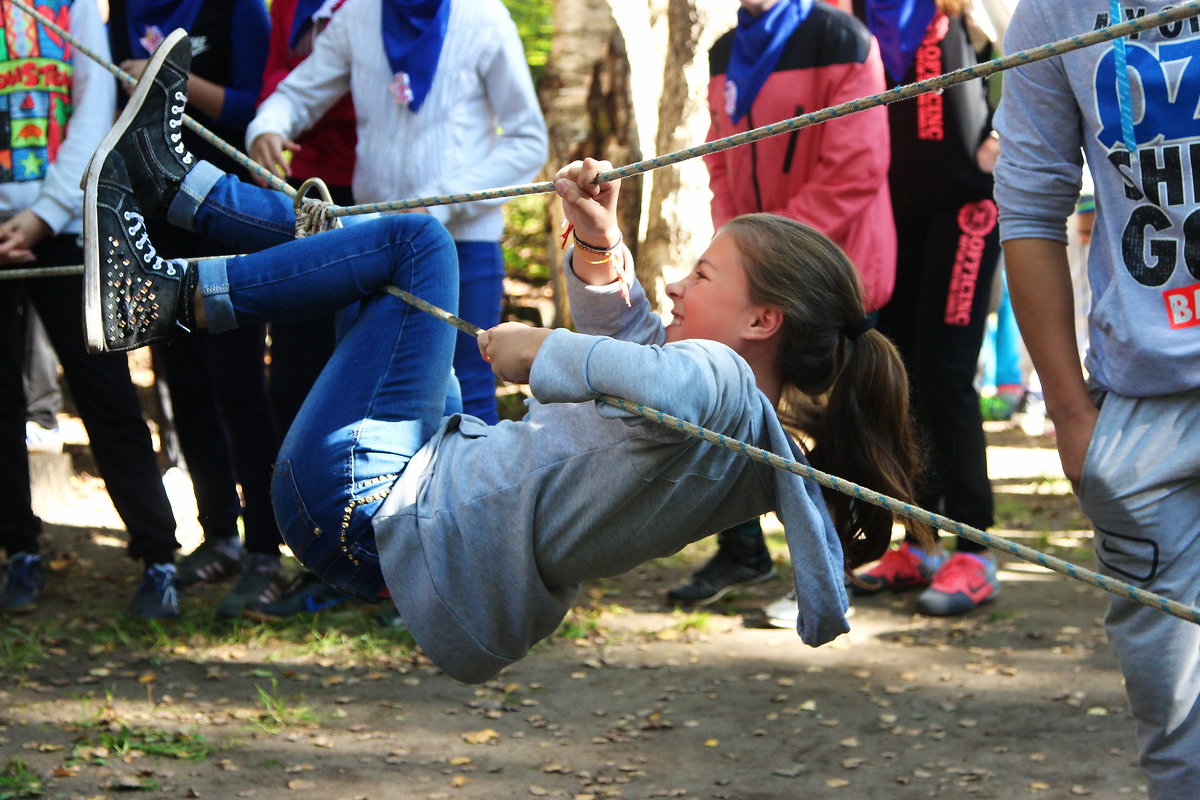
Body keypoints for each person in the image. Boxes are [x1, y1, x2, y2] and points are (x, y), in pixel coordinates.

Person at [83, 31, 928, 682]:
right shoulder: (727, 429)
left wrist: (538, 351)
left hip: (371, 507)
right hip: (388, 518)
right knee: (387, 256)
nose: (678, 286)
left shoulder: (718, 386)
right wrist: (599, 253)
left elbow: (637, 368)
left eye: (703, 274)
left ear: (762, 321)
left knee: (420, 248)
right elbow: (636, 354)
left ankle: (169, 287)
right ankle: (179, 191)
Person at [995, 2, 1200, 796]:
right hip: (1140, 416)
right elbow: (1029, 205)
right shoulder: (1054, 12)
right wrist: (1070, 413)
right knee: (1177, 730)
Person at [670, 0, 895, 616]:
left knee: (835, 426)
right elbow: (720, 157)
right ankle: (743, 548)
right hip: (757, 278)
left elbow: (857, 167)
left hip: (832, 271)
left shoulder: (841, 39)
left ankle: (838, 570)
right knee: (732, 410)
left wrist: (766, 259)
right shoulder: (724, 51)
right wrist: (735, 250)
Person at [247, 0, 548, 426]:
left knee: (469, 399)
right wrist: (269, 126)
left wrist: (442, 198)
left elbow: (528, 140)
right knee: (371, 399)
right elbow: (298, 93)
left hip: (465, 248)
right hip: (377, 245)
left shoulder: (485, 17)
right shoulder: (358, 14)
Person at [0, 0, 181, 618]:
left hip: (65, 225)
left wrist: (45, 212)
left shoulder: (72, 7)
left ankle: (158, 554)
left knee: (104, 389)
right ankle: (19, 547)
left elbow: (93, 105)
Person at [107, 0, 285, 620]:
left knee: (238, 381)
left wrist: (166, 79)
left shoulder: (237, 9)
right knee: (184, 381)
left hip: (224, 207)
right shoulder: (126, 6)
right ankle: (220, 534)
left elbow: (248, 109)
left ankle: (266, 547)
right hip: (156, 217)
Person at [848, 0, 1003, 616]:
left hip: (966, 209)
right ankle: (920, 540)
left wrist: (1002, 136)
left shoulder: (964, 8)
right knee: (901, 371)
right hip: (895, 211)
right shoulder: (856, 14)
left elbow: (1042, 53)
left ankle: (976, 548)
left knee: (945, 372)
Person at [251, 0, 360, 620]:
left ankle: (361, 555)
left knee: (356, 380)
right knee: (291, 377)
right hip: (300, 197)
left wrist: (301, 108)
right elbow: (280, 80)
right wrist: (271, 119)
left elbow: (353, 85)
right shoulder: (287, 5)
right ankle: (308, 550)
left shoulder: (370, 13)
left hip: (369, 193)